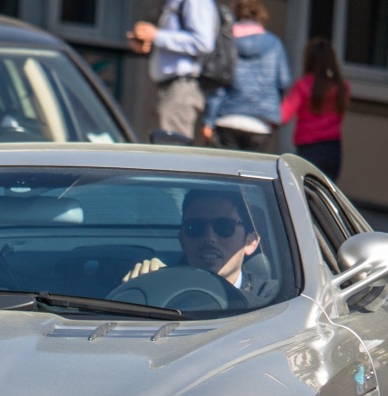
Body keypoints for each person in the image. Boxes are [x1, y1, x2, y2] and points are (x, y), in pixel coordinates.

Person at [122, 189, 278, 307]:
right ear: (182, 238)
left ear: (251, 242)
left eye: (224, 227)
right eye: (194, 227)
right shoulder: (158, 285)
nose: (209, 237)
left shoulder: (274, 297)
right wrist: (138, 291)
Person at [201, 0, 290, 152]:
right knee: (252, 173)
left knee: (227, 172)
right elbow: (284, 81)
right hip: (261, 124)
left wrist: (209, 121)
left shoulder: (227, 42)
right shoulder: (274, 44)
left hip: (228, 118)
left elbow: (218, 84)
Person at [128, 0, 219, 142]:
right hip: (168, 87)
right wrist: (146, 43)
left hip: (181, 87)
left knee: (173, 151)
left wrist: (157, 36)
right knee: (161, 148)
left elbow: (203, 42)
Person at [281, 37, 350, 180]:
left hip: (309, 148)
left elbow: (284, 115)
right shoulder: (342, 87)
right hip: (333, 148)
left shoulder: (304, 85)